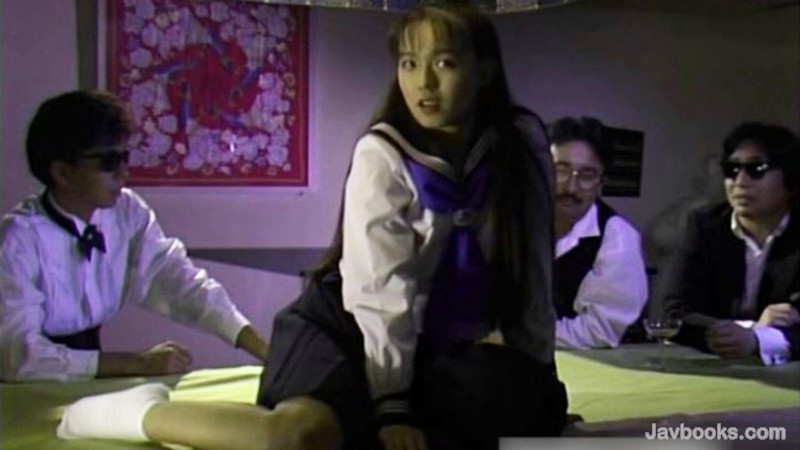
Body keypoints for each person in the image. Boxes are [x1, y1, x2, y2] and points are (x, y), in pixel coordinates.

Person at [55, 4, 567, 450]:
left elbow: (534, 269)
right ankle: (133, 412)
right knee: (299, 437)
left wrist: (538, 377)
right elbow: (380, 293)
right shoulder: (384, 153)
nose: (423, 84)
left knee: (510, 419)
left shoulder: (520, 142)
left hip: (434, 343)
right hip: (347, 322)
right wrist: (392, 405)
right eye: (409, 64)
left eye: (445, 63)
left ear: (485, 71)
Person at [0, 90, 269, 382]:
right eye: (108, 161)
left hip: (87, 382)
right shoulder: (17, 240)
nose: (123, 172)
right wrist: (135, 363)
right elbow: (17, 357)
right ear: (63, 173)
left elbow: (179, 282)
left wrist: (263, 349)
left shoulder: (126, 212)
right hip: (25, 389)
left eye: (124, 157)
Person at [662, 122, 800, 365]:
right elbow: (671, 313)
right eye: (732, 169)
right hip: (715, 366)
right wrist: (752, 331)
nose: (740, 181)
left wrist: (758, 340)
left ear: (791, 179)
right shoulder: (704, 226)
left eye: (756, 169)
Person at [548, 116, 648, 349]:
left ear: (601, 183)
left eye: (587, 176)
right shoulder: (516, 222)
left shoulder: (618, 239)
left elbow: (599, 331)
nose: (571, 187)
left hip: (585, 363)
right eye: (560, 170)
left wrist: (514, 336)